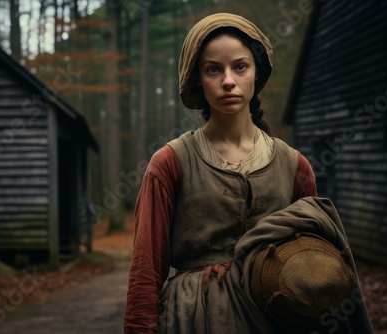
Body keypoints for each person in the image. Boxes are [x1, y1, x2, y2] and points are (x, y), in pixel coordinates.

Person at [124, 13, 372, 334]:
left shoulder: (294, 165)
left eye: (240, 67)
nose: (228, 80)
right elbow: (146, 267)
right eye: (214, 69)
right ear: (198, 78)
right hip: (192, 319)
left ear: (257, 73)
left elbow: (313, 260)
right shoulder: (170, 162)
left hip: (277, 318)